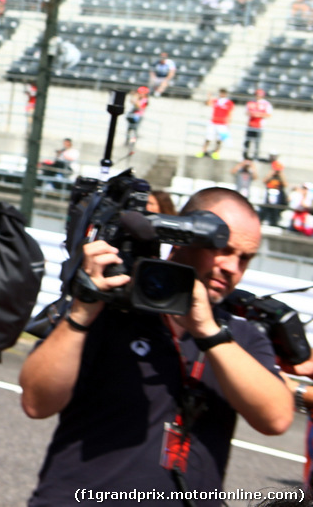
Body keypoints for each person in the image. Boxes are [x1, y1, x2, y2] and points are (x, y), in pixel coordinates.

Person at [19, 188, 292, 503]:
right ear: (182, 236)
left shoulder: (241, 334)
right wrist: (82, 310)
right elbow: (36, 403)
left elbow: (277, 419)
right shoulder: (108, 306)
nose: (232, 267)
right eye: (222, 249)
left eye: (244, 258)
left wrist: (209, 333)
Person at [200, 88, 234, 159]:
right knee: (208, 137)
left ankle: (216, 152)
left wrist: (228, 123)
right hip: (213, 122)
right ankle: (203, 150)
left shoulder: (229, 103)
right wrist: (209, 97)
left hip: (222, 123)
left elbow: (230, 113)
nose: (222, 94)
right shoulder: (216, 101)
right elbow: (208, 104)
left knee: (220, 139)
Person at [244, 88, 273, 160]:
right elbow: (246, 112)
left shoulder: (266, 104)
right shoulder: (251, 102)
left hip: (259, 126)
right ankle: (245, 156)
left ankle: (255, 157)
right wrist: (252, 114)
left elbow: (269, 114)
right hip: (250, 125)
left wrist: (259, 114)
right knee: (247, 141)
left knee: (257, 142)